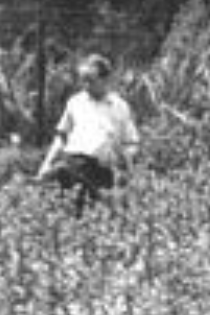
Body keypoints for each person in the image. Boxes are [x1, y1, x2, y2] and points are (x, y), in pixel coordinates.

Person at [38, 54, 140, 213]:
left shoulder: (119, 107)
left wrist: (121, 159)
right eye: (83, 80)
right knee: (63, 211)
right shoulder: (75, 102)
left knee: (94, 216)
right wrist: (46, 164)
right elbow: (61, 137)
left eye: (90, 80)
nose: (85, 85)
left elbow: (132, 143)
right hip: (73, 163)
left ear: (105, 80)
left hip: (102, 172)